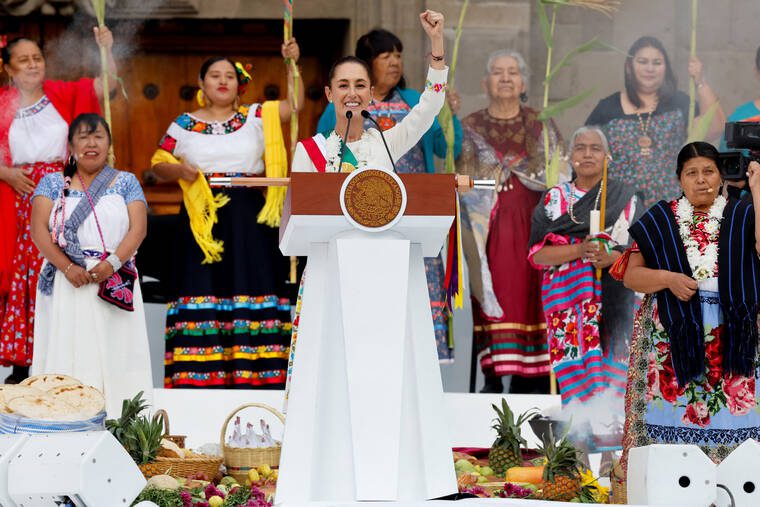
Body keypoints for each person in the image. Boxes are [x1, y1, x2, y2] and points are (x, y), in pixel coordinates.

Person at [151, 39, 303, 389]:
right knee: (201, 288)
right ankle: (198, 380)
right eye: (214, 75)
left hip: (249, 217)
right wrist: (181, 172)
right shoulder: (184, 123)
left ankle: (258, 380)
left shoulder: (256, 116)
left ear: (239, 84)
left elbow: (292, 105)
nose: (222, 81)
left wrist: (291, 65)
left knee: (252, 286)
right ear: (202, 84)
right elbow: (159, 162)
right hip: (202, 218)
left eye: (229, 76)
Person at [315, 28, 462, 363]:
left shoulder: (386, 141)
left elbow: (429, 107)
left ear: (370, 95)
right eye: (343, 86)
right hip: (338, 265)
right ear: (328, 94)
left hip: (390, 256)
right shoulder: (313, 151)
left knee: (390, 352)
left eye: (360, 86)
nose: (352, 93)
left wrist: (437, 47)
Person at [615, 141, 760, 469]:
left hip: (732, 333)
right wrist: (668, 279)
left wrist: (757, 187)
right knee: (672, 417)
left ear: (721, 176)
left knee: (735, 422)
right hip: (673, 333)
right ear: (679, 179)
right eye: (691, 173)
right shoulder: (660, 219)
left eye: (708, 171)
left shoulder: (743, 213)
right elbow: (631, 277)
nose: (701, 180)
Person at [0, 28, 115, 384]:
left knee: (60, 268)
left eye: (37, 58)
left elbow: (105, 86)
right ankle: (24, 366)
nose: (33, 65)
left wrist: (106, 49)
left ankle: (61, 358)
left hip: (62, 197)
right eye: (24, 60)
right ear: (8, 68)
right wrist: (5, 173)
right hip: (18, 199)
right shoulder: (2, 104)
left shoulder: (62, 93)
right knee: (26, 276)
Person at [29, 114, 152, 417]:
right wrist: (68, 267)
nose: (91, 143)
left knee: (118, 353)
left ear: (109, 143)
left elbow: (138, 229)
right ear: (71, 145)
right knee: (67, 348)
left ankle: (123, 423)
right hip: (66, 279)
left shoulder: (126, 182)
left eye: (98, 136)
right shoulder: (52, 183)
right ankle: (63, 418)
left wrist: (111, 263)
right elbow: (39, 230)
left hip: (113, 280)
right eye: (83, 137)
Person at [457, 50, 564, 393]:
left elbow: (560, 173)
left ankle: (528, 378)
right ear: (484, 83)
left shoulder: (541, 123)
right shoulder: (470, 126)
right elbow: (459, 174)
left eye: (513, 72)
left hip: (533, 226)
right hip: (489, 229)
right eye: (498, 72)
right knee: (495, 290)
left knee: (534, 294)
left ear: (523, 83)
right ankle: (493, 372)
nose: (505, 78)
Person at [528, 126, 640, 406]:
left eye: (595, 148)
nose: (587, 154)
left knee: (616, 375)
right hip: (567, 306)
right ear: (570, 156)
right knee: (576, 382)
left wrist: (612, 257)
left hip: (615, 302)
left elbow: (641, 252)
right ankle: (576, 448)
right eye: (580, 147)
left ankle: (610, 450)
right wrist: (579, 250)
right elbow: (537, 255)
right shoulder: (554, 199)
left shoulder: (624, 198)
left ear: (607, 157)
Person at [586, 36, 725, 207]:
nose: (650, 68)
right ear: (629, 67)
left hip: (671, 208)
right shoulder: (607, 108)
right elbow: (585, 149)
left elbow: (715, 127)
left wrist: (700, 81)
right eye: (643, 62)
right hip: (619, 209)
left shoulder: (680, 103)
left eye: (657, 63)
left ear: (665, 68)